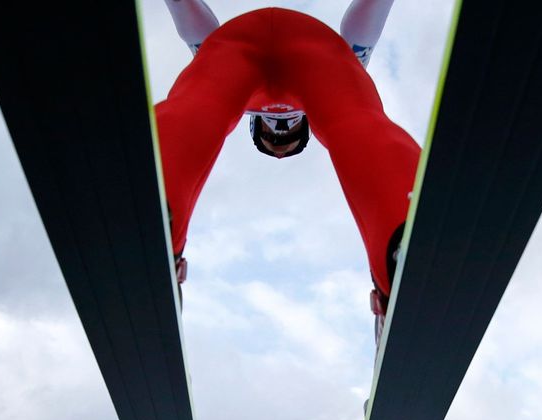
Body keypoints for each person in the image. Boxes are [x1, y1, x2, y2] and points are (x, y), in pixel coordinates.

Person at [156, 0, 420, 344]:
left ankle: (156, 204)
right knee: (352, 115)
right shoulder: (343, 64)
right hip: (310, 50)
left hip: (241, 47)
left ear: (258, 126)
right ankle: (406, 233)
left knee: (200, 103)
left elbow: (194, 31)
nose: (281, 130)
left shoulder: (222, 64)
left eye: (273, 136)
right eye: (289, 136)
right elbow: (360, 35)